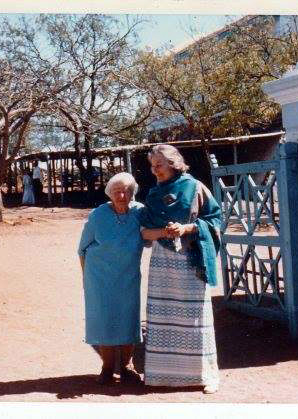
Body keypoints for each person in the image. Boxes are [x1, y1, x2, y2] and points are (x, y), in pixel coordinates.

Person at [139, 145, 221, 394]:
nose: (155, 171)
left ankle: (206, 375)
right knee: (164, 315)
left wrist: (186, 229)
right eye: (152, 166)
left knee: (195, 316)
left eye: (159, 165)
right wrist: (165, 231)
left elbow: (215, 220)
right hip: (162, 262)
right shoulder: (153, 194)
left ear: (174, 163)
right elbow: (144, 231)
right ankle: (162, 375)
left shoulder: (195, 187)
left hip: (191, 258)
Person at [77, 172, 145, 385]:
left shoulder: (140, 212)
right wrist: (85, 279)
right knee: (104, 319)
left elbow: (151, 236)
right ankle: (107, 367)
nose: (122, 195)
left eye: (126, 191)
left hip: (128, 275)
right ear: (110, 193)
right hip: (99, 277)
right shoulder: (98, 215)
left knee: (128, 318)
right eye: (117, 191)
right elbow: (82, 249)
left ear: (132, 193)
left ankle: (126, 366)